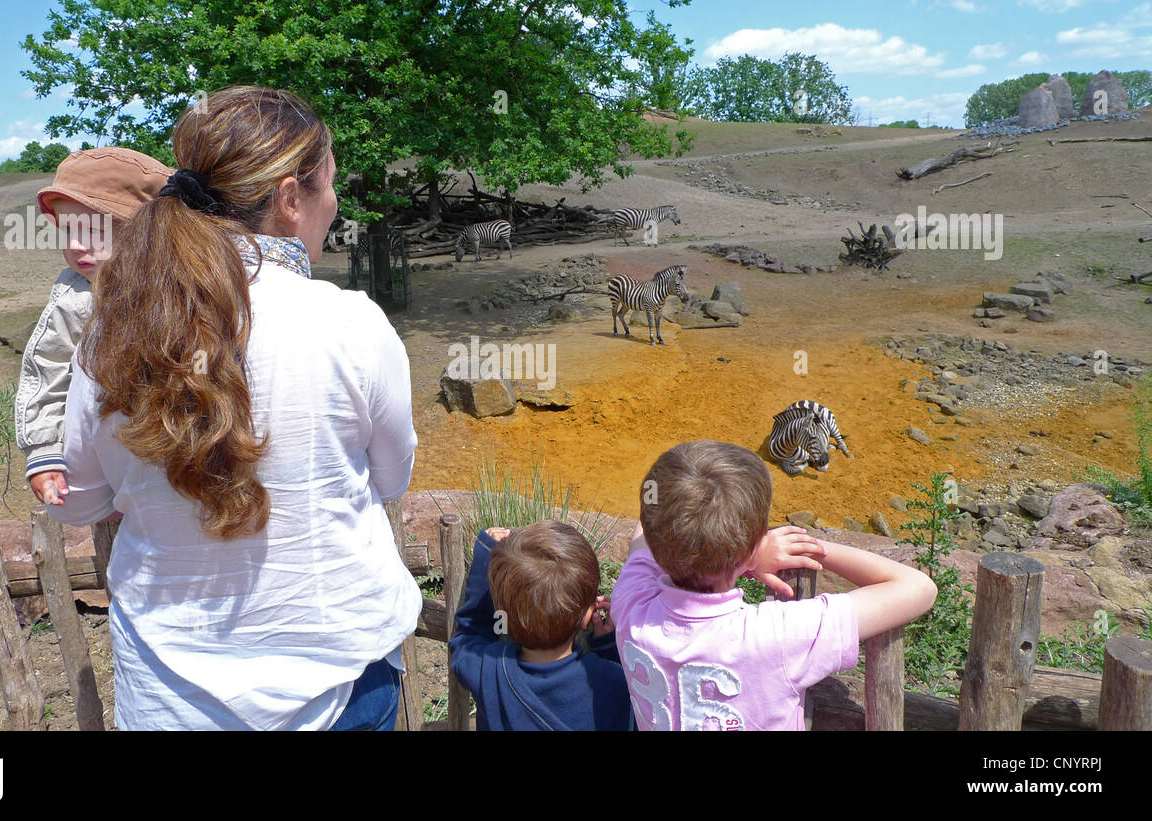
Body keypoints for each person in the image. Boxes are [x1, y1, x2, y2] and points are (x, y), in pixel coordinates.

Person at [46, 86, 421, 731]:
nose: (335, 202)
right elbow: (392, 478)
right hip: (342, 681)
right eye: (331, 184)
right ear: (290, 198)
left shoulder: (113, 329)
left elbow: (78, 500)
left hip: (171, 695)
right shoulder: (352, 323)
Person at [611, 440, 937, 731]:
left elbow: (646, 527)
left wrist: (744, 552)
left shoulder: (631, 604)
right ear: (753, 549)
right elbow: (919, 588)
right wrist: (805, 547)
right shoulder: (777, 636)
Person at [15, 147, 172, 506]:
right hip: (101, 460)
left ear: (148, 231)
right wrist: (44, 451)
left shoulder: (183, 287)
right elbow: (48, 369)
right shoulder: (75, 298)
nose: (74, 245)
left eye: (93, 230)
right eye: (68, 229)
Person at [449, 521, 635, 731]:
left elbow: (468, 635)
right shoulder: (615, 682)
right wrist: (608, 646)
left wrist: (486, 554)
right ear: (588, 616)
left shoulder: (487, 670)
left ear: (502, 615)